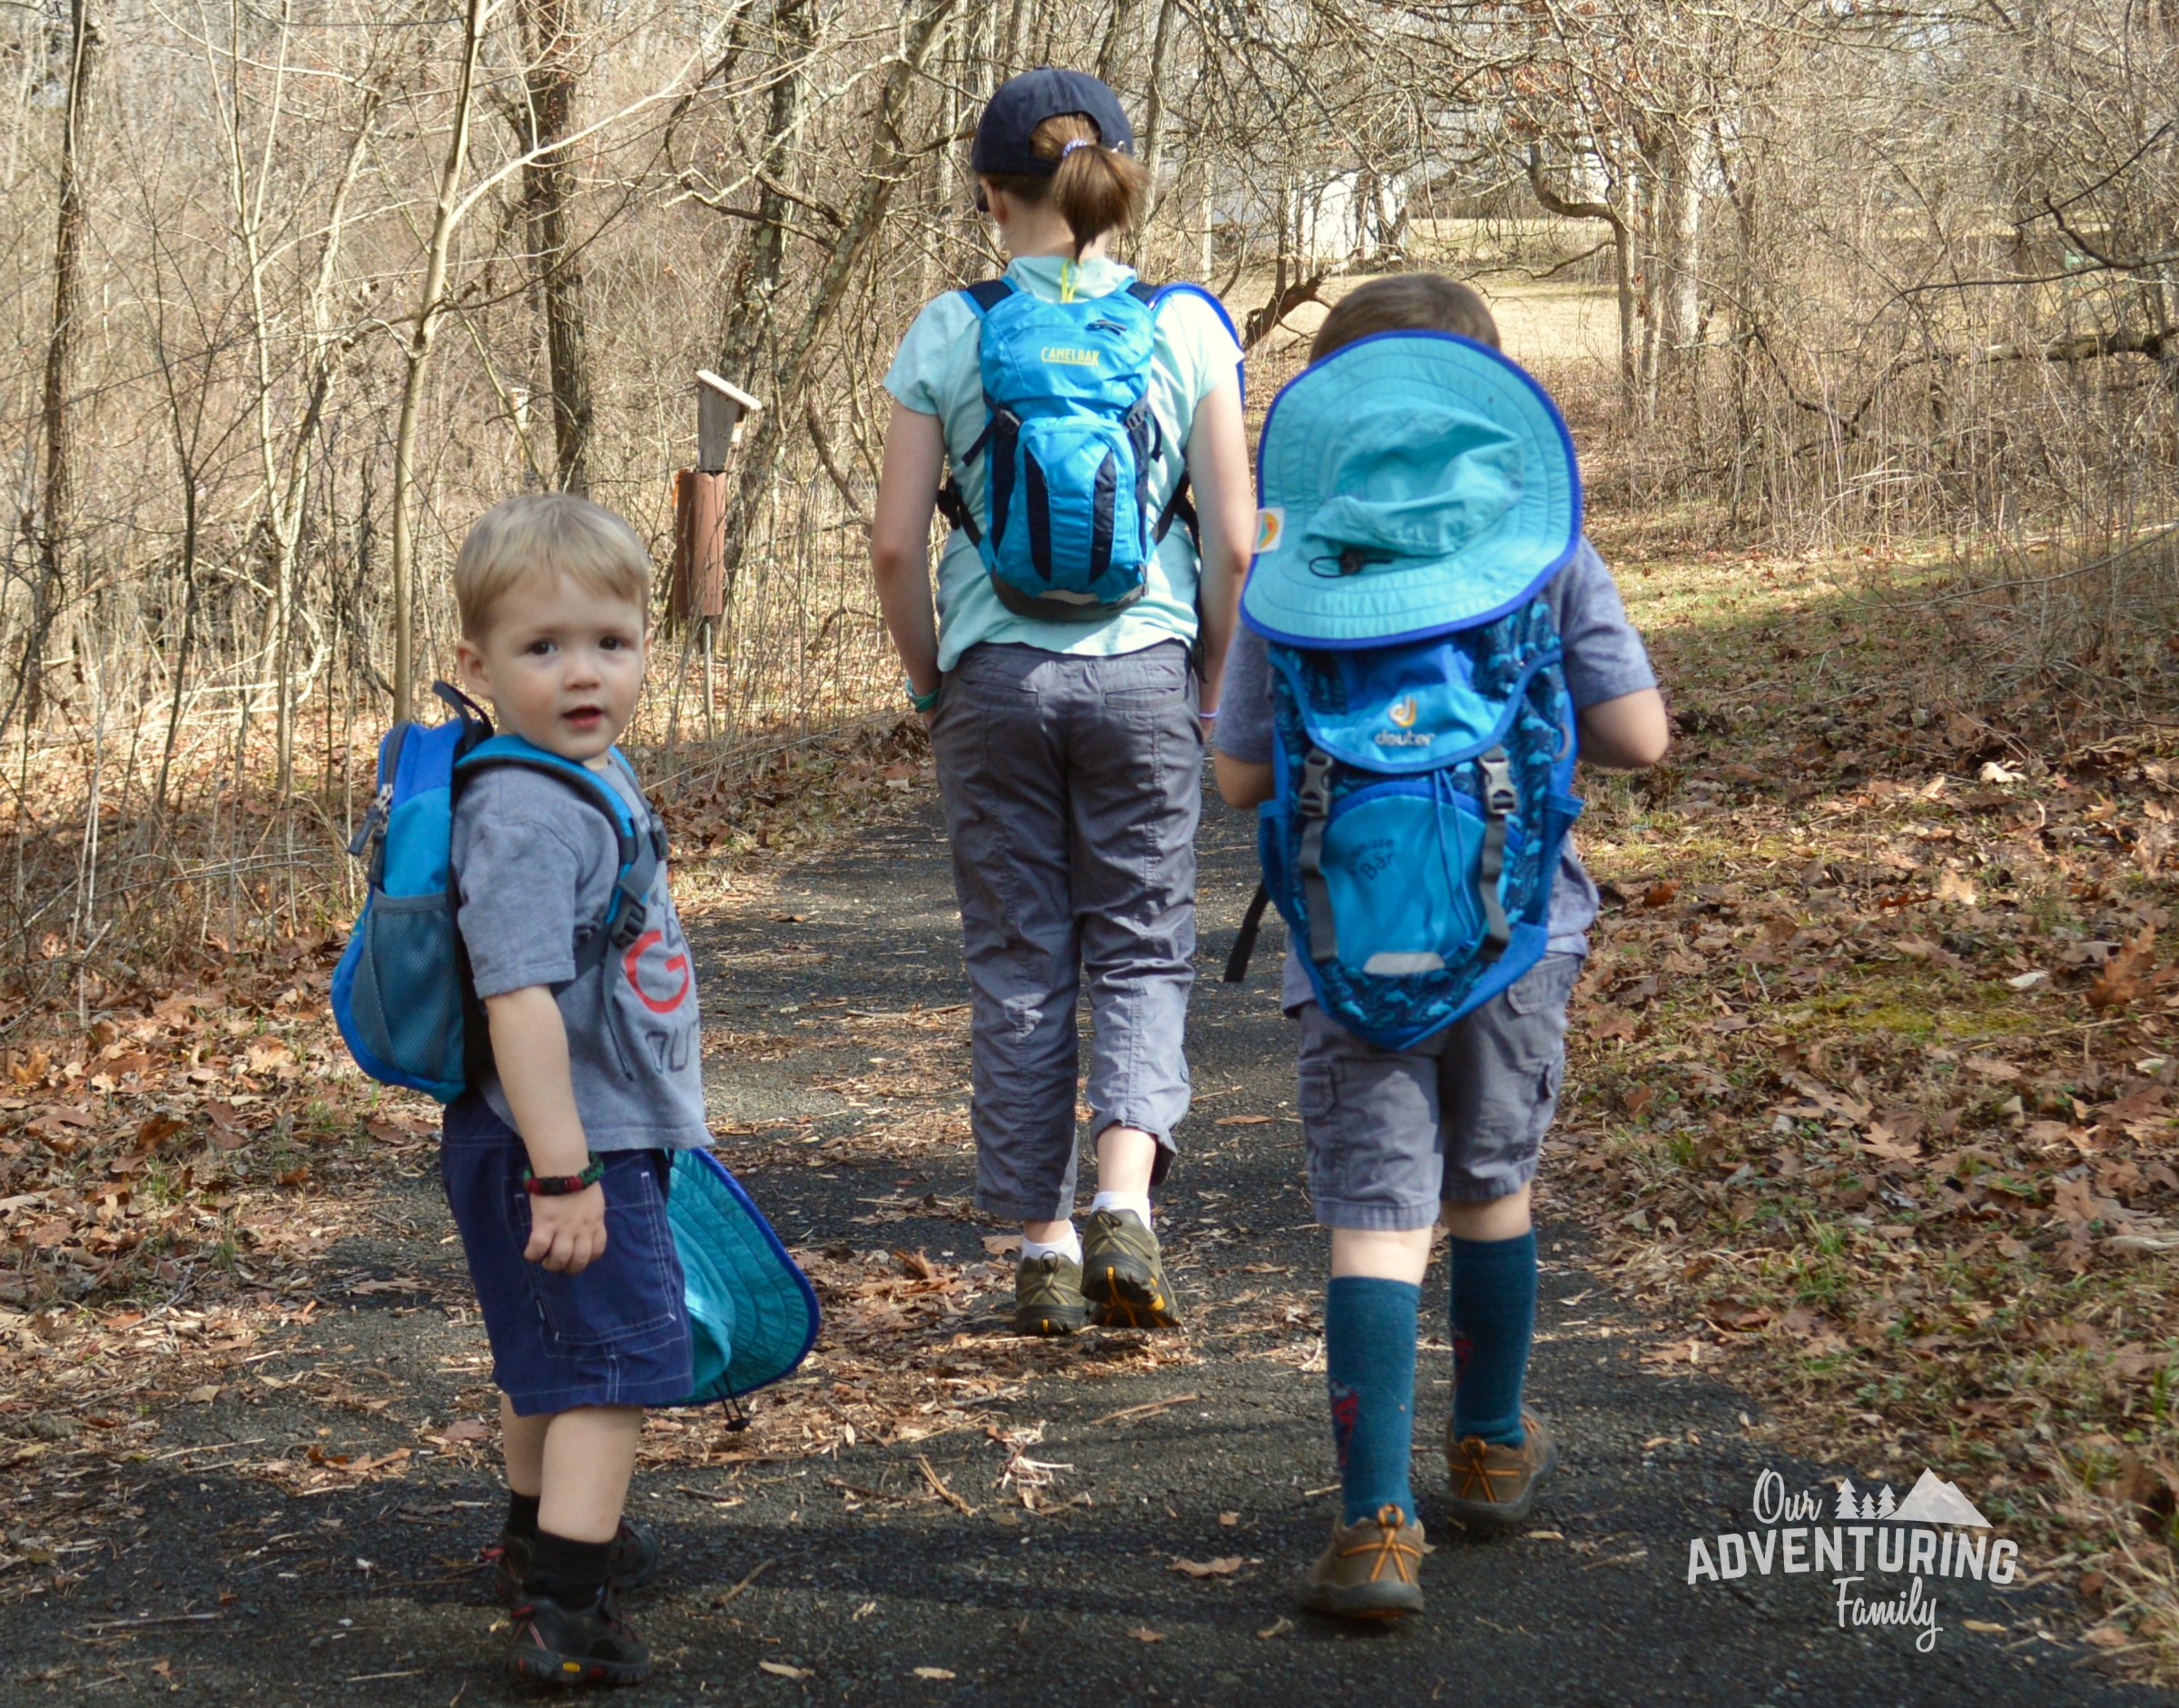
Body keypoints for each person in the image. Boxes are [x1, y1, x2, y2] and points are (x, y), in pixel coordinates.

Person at [1212, 275, 1669, 1618]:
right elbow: (1641, 737)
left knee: (1374, 1213)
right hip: (1519, 933)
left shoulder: (1288, 578)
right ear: (1495, 405)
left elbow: (1239, 779)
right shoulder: (1549, 553)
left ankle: (1372, 1526)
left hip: (1353, 947)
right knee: (1489, 1188)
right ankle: (1491, 1445)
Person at [869, 68, 1253, 1335]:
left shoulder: (950, 327)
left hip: (995, 680)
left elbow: (890, 545)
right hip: (1145, 669)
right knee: (1143, 942)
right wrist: (1208, 688)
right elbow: (1237, 542)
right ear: (1120, 182)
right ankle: (1124, 1201)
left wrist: (931, 678)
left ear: (990, 191)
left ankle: (1040, 1237)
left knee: (1021, 956)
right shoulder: (1187, 325)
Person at [441, 493, 710, 1685]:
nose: (583, 672)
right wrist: (566, 1168)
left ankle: (535, 1536)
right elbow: (517, 1001)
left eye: (611, 641)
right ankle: (567, 1599)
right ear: (479, 663)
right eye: (542, 648)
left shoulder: (585, 770)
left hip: (576, 1132)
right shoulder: (524, 811)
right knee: (617, 1368)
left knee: (552, 1353)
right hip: (561, 1139)